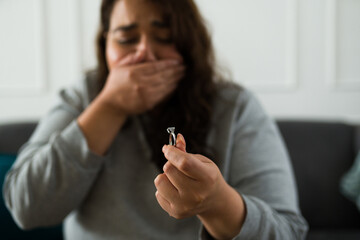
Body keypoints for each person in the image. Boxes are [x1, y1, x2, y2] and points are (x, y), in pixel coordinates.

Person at [3, 0, 308, 239]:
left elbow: (287, 232)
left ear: (190, 46)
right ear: (105, 45)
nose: (145, 53)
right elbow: (25, 208)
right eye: (126, 38)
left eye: (164, 37)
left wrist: (217, 203)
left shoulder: (235, 107)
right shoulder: (81, 98)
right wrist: (109, 106)